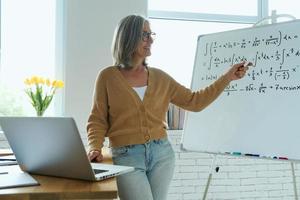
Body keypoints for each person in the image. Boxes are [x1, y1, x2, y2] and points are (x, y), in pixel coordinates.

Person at [86, 14, 249, 200]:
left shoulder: (160, 77)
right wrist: (94, 148)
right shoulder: (107, 77)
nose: (151, 40)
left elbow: (195, 102)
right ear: (129, 37)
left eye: (151, 34)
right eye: (145, 35)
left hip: (161, 154)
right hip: (125, 157)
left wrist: (227, 77)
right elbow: (97, 119)